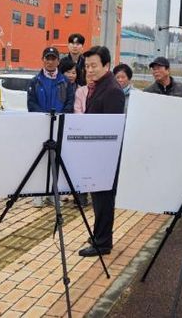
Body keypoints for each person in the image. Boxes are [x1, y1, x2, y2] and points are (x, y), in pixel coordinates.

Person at [78, 46, 125, 257]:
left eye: (94, 65)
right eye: (87, 66)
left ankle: (103, 243)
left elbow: (110, 129)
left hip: (105, 155)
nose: (89, 70)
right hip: (96, 152)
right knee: (98, 199)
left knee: (104, 200)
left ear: (106, 65)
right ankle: (99, 235)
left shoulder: (113, 90)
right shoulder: (98, 86)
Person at [28, 47, 74, 207]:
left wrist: (61, 116)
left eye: (53, 58)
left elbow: (69, 103)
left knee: (57, 159)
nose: (50, 61)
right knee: (39, 159)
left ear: (58, 61)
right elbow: (31, 103)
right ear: (43, 60)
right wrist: (44, 117)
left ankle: (53, 193)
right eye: (47, 58)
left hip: (59, 126)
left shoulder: (65, 82)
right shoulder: (35, 81)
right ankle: (38, 194)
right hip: (40, 126)